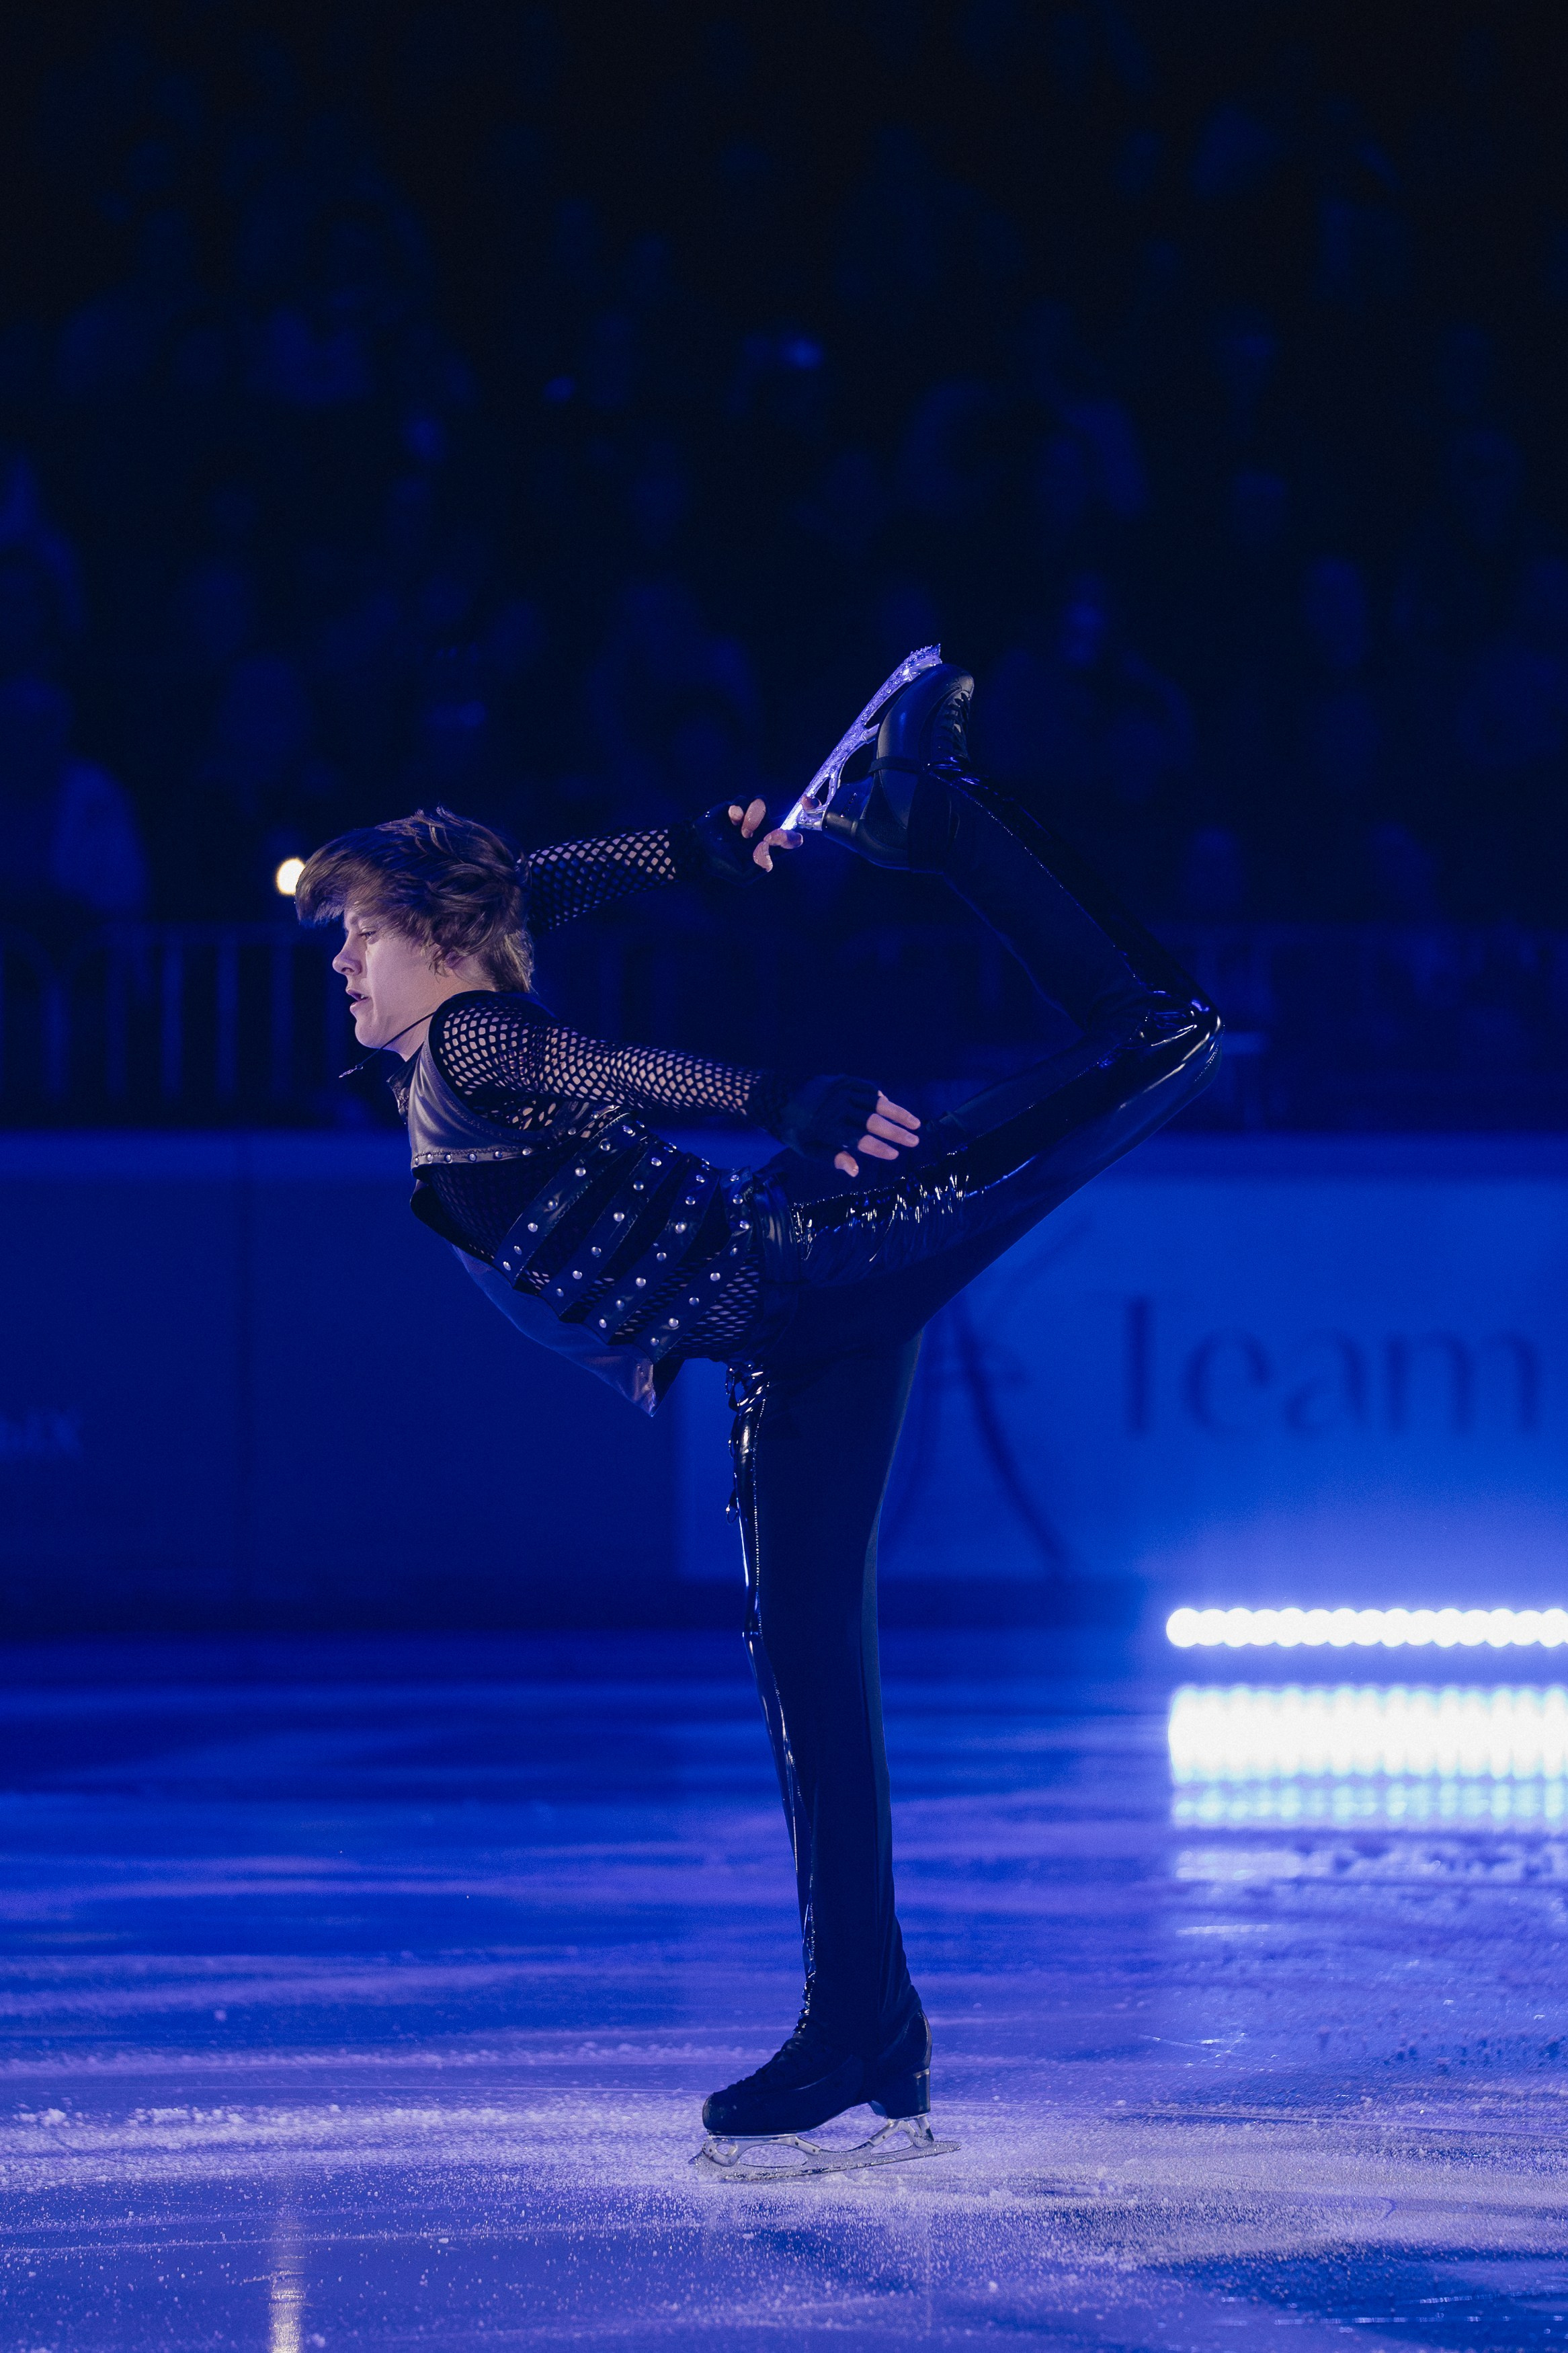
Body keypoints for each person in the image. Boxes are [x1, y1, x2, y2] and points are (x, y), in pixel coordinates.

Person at [294, 662, 1220, 2171]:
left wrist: (777, 1088)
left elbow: (587, 1058)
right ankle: (865, 2024)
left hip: (835, 1254)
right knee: (809, 1669)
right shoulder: (460, 1014)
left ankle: (947, 809)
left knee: (1167, 1031)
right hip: (793, 1331)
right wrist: (690, 853)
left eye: (365, 932)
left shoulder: (470, 1043)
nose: (341, 960)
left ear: (439, 945)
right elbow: (538, 885)